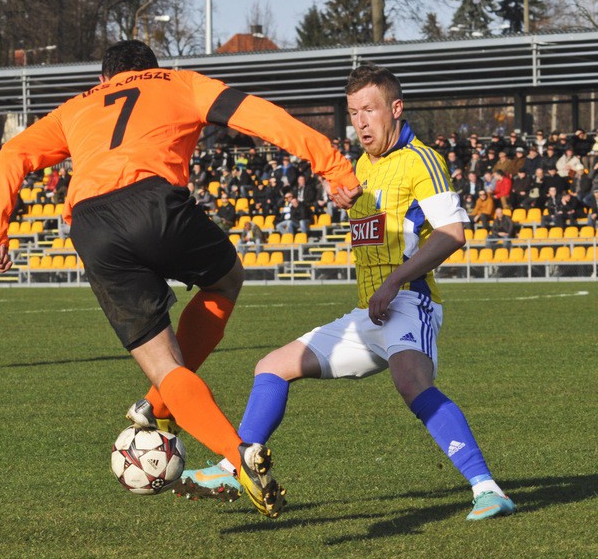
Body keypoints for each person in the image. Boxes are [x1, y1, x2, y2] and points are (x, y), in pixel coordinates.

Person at [0, 40, 361, 519]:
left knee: (164, 365)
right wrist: (333, 164)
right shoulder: (179, 82)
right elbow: (262, 117)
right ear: (152, 70)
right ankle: (158, 406)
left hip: (91, 225)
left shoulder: (76, 107)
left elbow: (13, 153)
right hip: (154, 204)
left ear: (104, 80)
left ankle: (228, 447)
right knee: (225, 281)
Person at [178, 62, 516, 521]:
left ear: (395, 109)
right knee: (272, 366)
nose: (360, 121)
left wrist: (395, 281)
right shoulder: (361, 166)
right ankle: (234, 462)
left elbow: (452, 232)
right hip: (368, 313)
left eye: (369, 110)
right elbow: (378, 224)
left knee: (412, 384)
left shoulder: (422, 160)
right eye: (353, 111)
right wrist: (347, 200)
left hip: (410, 302)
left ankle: (488, 489)